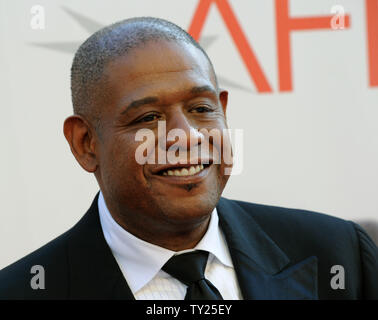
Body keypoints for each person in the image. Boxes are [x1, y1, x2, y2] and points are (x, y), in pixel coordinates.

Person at [0, 17, 377, 300]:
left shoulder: (337, 253)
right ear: (85, 143)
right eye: (148, 118)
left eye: (201, 108)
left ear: (223, 110)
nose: (187, 136)